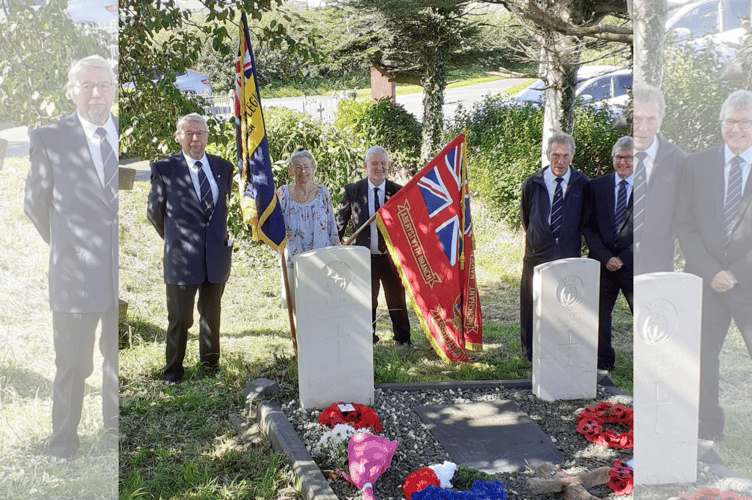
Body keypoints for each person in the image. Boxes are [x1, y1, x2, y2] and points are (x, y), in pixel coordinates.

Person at [24, 55, 118, 463]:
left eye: (104, 84)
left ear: (114, 88)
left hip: (119, 273)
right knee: (72, 365)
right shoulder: (50, 137)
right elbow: (35, 204)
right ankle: (62, 444)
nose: (96, 93)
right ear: (72, 91)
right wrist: (68, 244)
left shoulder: (122, 133)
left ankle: (115, 432)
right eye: (87, 85)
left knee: (116, 360)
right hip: (74, 273)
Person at [675, 89, 752, 441]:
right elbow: (684, 224)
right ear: (721, 123)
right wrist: (712, 272)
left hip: (748, 280)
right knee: (703, 357)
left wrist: (737, 273)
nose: (736, 129)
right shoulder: (697, 164)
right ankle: (708, 426)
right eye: (730, 122)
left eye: (745, 122)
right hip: (706, 282)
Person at [147, 113, 234, 385]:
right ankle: (173, 372)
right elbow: (154, 213)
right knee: (179, 319)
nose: (195, 138)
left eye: (200, 132)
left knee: (212, 315)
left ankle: (210, 366)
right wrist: (176, 239)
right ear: (179, 137)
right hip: (182, 258)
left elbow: (222, 210)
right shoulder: (165, 169)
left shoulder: (223, 167)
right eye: (189, 133)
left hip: (215, 256)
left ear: (208, 136)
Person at [519, 132, 589, 362]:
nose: (560, 161)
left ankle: (561, 346)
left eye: (565, 155)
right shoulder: (533, 183)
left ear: (572, 156)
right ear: (548, 155)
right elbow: (526, 218)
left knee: (565, 303)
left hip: (568, 254)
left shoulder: (583, 183)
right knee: (532, 302)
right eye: (555, 155)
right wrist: (539, 238)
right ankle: (530, 351)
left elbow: (585, 220)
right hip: (537, 254)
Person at [336, 146, 412, 345]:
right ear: (365, 166)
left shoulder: (397, 191)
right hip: (363, 256)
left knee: (396, 299)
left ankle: (403, 340)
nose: (379, 168)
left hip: (390, 258)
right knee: (366, 301)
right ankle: (367, 338)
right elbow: (340, 224)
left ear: (388, 165)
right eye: (375, 164)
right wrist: (334, 247)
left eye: (383, 164)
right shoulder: (353, 191)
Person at [582, 136, 634, 375]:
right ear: (613, 159)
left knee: (644, 314)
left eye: (628, 158)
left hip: (634, 264)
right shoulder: (596, 186)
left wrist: (623, 258)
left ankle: (649, 363)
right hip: (602, 264)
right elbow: (588, 226)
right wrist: (606, 258)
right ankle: (603, 362)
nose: (623, 162)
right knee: (599, 314)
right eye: (619, 157)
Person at [632, 84, 688, 275]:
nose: (643, 128)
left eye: (651, 119)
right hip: (616, 259)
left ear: (661, 119)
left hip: (658, 261)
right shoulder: (617, 153)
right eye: (636, 119)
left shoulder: (678, 159)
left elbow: (687, 214)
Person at [277, 148, 340, 308]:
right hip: (293, 259)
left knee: (321, 306)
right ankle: (298, 335)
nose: (302, 171)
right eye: (297, 167)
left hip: (321, 260)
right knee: (297, 308)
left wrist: (336, 255)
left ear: (312, 169)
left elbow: (332, 225)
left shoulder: (323, 192)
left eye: (306, 167)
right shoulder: (283, 193)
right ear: (291, 170)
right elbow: (274, 226)